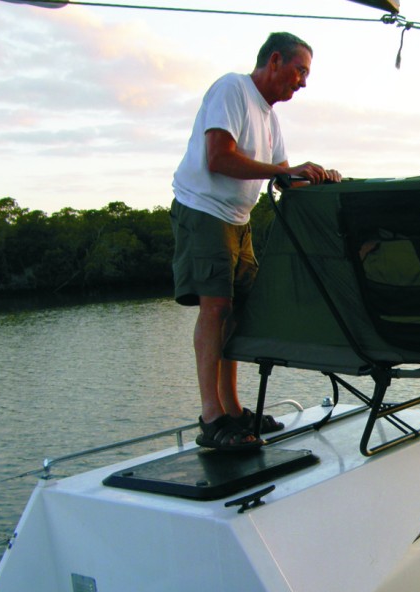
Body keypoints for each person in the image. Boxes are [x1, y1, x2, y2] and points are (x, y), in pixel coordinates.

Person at [171, 32, 341, 451]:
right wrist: (285, 171)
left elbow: (284, 178)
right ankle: (212, 418)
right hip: (205, 210)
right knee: (216, 307)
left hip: (238, 218)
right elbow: (219, 157)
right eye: (300, 71)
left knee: (237, 311)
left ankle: (232, 409)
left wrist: (320, 178)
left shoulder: (269, 116)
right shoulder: (233, 88)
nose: (302, 82)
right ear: (275, 60)